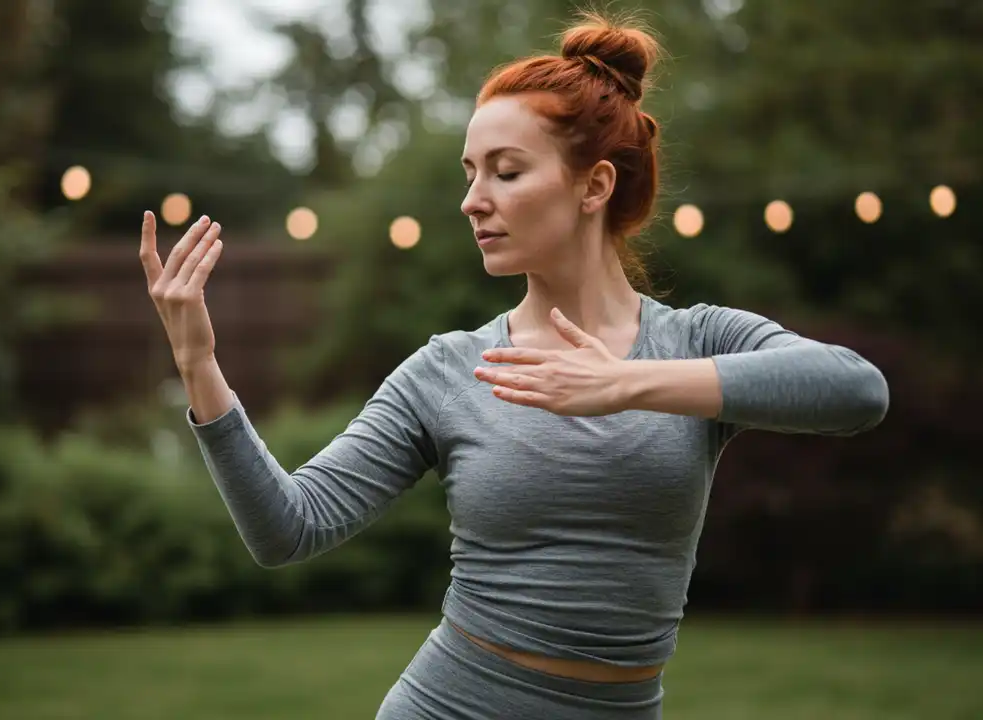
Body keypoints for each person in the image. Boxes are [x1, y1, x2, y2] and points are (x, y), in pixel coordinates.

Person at [138, 11, 889, 720]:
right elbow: (288, 530)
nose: (472, 200)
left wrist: (626, 383)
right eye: (471, 173)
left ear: (593, 185)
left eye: (505, 171)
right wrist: (200, 364)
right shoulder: (448, 371)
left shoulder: (695, 344)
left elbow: (856, 390)